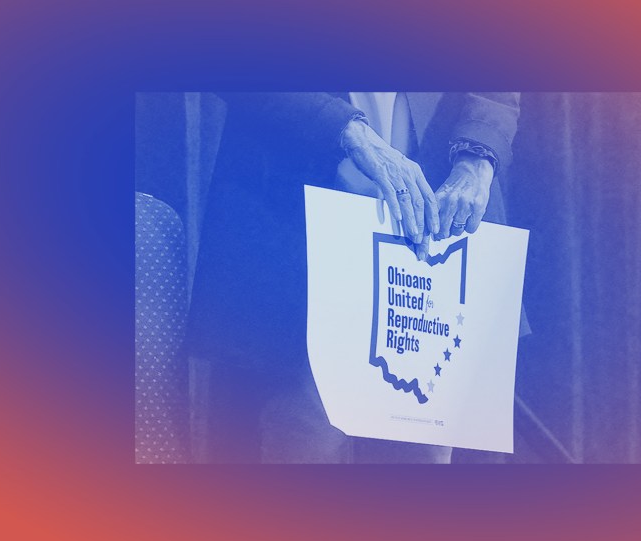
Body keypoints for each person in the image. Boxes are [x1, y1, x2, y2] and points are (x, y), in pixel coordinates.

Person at [187, 93, 520, 463]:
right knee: (298, 433)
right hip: (292, 211)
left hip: (445, 212)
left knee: (428, 451)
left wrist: (478, 156)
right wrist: (348, 130)